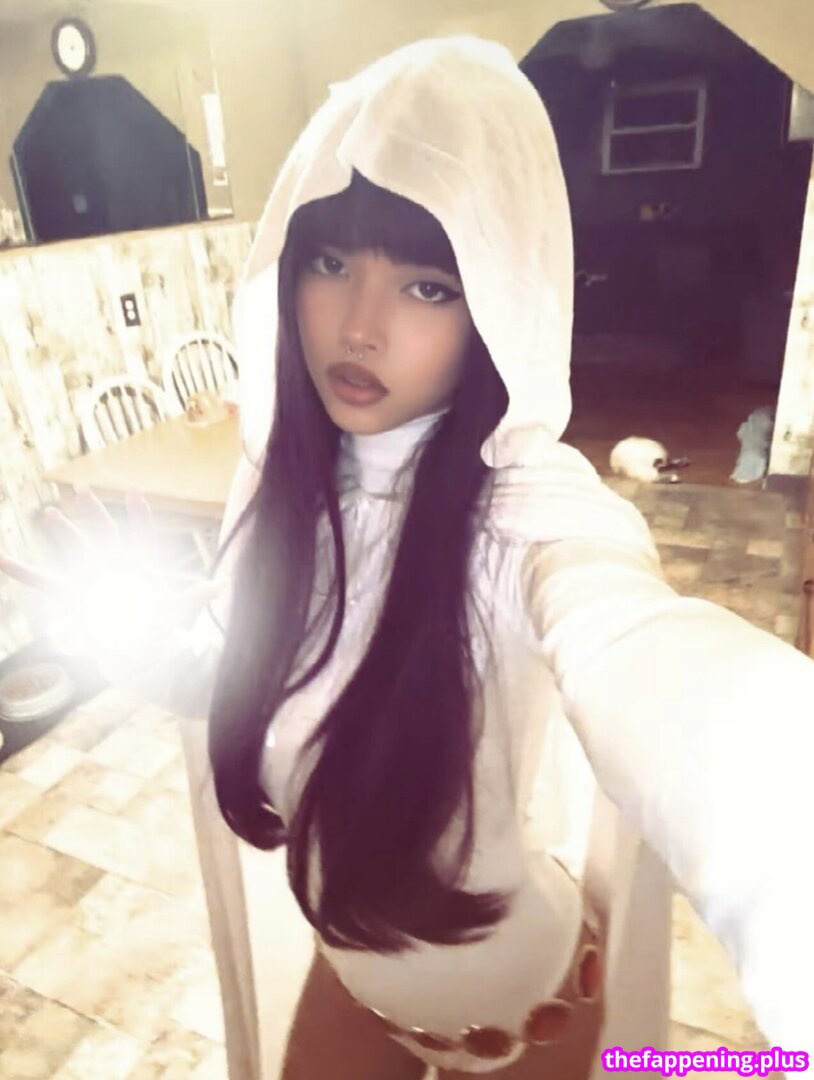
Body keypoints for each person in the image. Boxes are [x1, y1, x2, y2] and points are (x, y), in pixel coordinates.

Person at [3, 34, 813, 1080]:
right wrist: (120, 633)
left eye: (428, 286)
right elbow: (241, 661)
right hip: (353, 978)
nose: (360, 326)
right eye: (332, 263)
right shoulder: (277, 486)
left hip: (528, 1017)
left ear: (493, 308)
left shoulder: (530, 509)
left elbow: (674, 680)